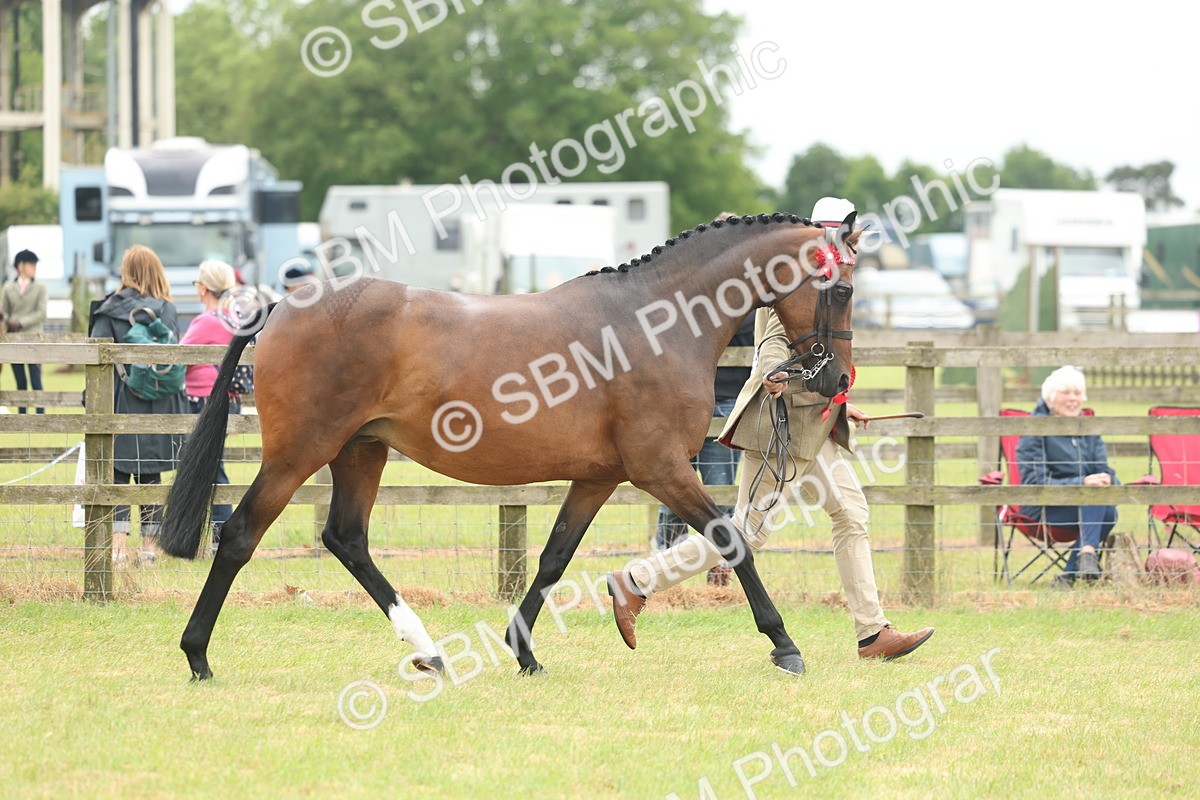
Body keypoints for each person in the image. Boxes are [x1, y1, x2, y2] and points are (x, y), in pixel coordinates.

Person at [607, 198, 935, 663]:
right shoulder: (795, 277)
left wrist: (842, 400)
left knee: (851, 515)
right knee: (747, 532)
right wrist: (776, 373)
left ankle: (872, 633)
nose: (853, 246)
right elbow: (772, 345)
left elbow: (820, 352)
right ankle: (636, 581)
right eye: (848, 236)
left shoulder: (825, 276)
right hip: (781, 426)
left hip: (816, 425)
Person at [88, 245, 188, 566]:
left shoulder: (108, 310)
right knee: (151, 475)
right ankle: (148, 550)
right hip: (160, 402)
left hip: (120, 399)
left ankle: (117, 549)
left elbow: (94, 359)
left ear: (126, 271)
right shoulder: (167, 310)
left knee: (118, 474)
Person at [654, 313, 754, 587]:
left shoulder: (743, 310)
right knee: (673, 491)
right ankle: (663, 568)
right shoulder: (697, 304)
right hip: (683, 406)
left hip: (723, 406)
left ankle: (719, 568)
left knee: (718, 492)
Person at [1015, 366, 1118, 587]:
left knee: (1105, 507)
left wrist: (1108, 479)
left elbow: (1102, 468)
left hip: (1086, 506)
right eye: (1066, 393)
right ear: (1050, 399)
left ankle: (1072, 571)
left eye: (1077, 393)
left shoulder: (1089, 428)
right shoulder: (1034, 430)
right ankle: (1080, 563)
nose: (1073, 398)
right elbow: (1035, 484)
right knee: (1103, 508)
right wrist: (1081, 483)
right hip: (1045, 508)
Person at [180, 260, 241, 554]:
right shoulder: (236, 318)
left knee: (209, 468)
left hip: (202, 400)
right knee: (214, 466)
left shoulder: (206, 322)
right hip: (230, 401)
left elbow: (179, 358)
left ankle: (218, 537)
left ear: (203, 287)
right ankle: (214, 536)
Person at [3, 249, 48, 413]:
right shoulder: (8, 288)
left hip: (33, 338)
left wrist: (20, 323)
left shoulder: (40, 287)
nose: (34, 267)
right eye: (31, 264)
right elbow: (5, 310)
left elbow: (41, 313)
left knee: (36, 380)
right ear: (20, 265)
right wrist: (7, 320)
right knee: (20, 381)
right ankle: (22, 416)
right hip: (14, 339)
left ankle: (40, 415)